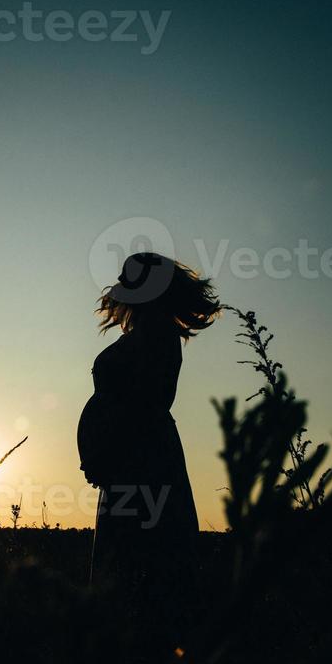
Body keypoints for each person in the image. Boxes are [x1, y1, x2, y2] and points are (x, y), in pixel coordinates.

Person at [77, 252, 220, 591]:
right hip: (129, 459)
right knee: (129, 560)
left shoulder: (157, 332)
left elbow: (145, 403)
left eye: (131, 278)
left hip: (142, 459)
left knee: (139, 561)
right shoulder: (144, 332)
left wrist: (107, 450)